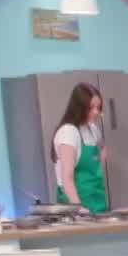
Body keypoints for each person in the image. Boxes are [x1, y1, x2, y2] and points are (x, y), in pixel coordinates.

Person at [52, 83, 109, 214]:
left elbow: (102, 149)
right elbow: (67, 178)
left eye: (98, 107)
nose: (96, 112)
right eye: (91, 108)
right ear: (79, 108)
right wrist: (78, 208)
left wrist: (99, 167)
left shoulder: (92, 129)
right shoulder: (68, 132)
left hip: (97, 200)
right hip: (75, 206)